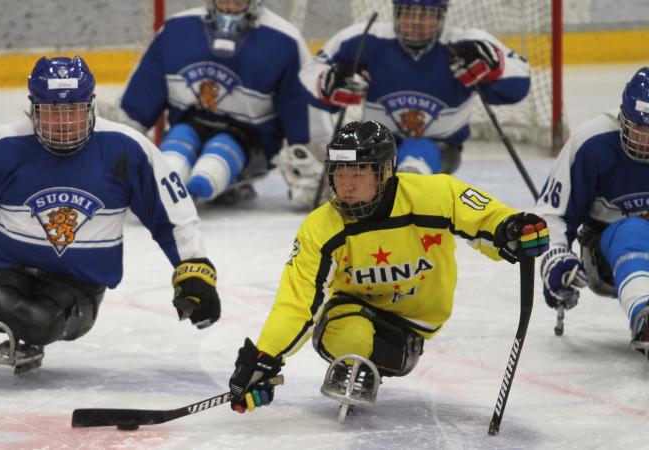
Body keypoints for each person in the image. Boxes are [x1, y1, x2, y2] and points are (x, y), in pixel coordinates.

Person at [0, 55, 221, 379]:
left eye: (73, 111)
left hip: (78, 285)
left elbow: (174, 216)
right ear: (33, 108)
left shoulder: (127, 149)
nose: (63, 123)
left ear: (90, 106)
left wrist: (194, 273)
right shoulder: (0, 149)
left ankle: (36, 323)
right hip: (12, 269)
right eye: (52, 111)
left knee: (38, 319)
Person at [226, 120, 549, 414]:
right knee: (347, 336)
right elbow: (297, 301)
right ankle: (358, 361)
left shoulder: (435, 195)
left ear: (384, 172)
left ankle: (383, 358)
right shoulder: (321, 227)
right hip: (351, 308)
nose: (345, 185)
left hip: (415, 321)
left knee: (390, 352)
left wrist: (511, 229)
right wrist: (265, 359)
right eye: (339, 173)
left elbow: (487, 219)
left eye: (357, 174)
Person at [114, 0, 332, 206]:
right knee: (173, 157)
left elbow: (302, 111)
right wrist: (117, 152)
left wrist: (312, 170)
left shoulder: (284, 40)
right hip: (188, 124)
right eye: (224, 0)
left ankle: (205, 181)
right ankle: (165, 187)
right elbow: (140, 100)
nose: (229, 8)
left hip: (249, 141)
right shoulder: (176, 29)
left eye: (238, 1)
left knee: (215, 162)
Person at [299, 0, 530, 175]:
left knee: (413, 161)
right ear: (395, 12)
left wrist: (496, 66)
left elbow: (519, 84)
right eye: (408, 12)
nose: (416, 21)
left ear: (442, 17)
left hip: (440, 149)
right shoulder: (364, 39)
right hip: (374, 145)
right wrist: (327, 82)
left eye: (426, 14)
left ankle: (409, 186)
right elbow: (309, 76)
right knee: (346, 158)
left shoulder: (464, 44)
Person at [535, 66, 649, 359]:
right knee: (631, 229)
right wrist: (556, 257)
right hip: (607, 249)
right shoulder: (593, 142)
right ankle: (645, 314)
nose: (644, 141)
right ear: (623, 117)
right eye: (638, 129)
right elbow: (553, 213)